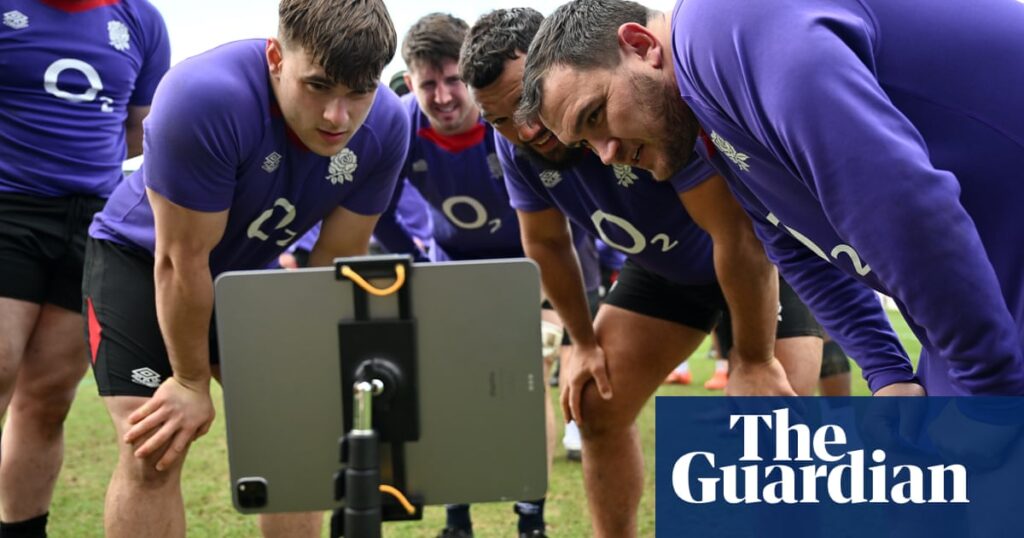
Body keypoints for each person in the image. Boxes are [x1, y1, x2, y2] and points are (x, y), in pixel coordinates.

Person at [520, 0, 1024, 396]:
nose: (606, 154)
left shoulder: (725, 28)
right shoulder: (706, 119)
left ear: (640, 45)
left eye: (595, 114)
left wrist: (989, 392)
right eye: (585, 144)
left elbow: (897, 201)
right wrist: (887, 370)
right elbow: (796, 246)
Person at [461, 8, 824, 537]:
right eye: (499, 120)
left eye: (525, 102)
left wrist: (753, 359)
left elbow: (736, 237)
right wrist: (583, 343)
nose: (526, 129)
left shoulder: (635, 106)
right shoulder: (517, 145)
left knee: (773, 423)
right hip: (665, 270)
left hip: (758, 258)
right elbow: (546, 244)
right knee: (594, 405)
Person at [81, 1, 407, 536]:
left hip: (248, 277)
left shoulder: (388, 126)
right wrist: (190, 380)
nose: (338, 117)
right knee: (153, 449)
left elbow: (334, 263)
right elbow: (180, 260)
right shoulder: (203, 98)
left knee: (294, 442)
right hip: (144, 262)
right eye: (318, 86)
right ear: (276, 57)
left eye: (359, 92)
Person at [373, 13, 600, 538]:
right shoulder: (402, 126)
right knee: (451, 394)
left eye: (453, 80)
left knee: (526, 386)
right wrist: (415, 265)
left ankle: (530, 518)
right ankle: (458, 519)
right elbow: (377, 208)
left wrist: (556, 289)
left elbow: (569, 210)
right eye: (428, 84)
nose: (443, 96)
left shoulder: (510, 121)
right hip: (453, 269)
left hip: (530, 267)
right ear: (410, 82)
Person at [0, 1, 169, 536]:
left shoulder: (140, 19)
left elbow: (140, 127)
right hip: (8, 208)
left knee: (47, 397)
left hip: (93, 217)